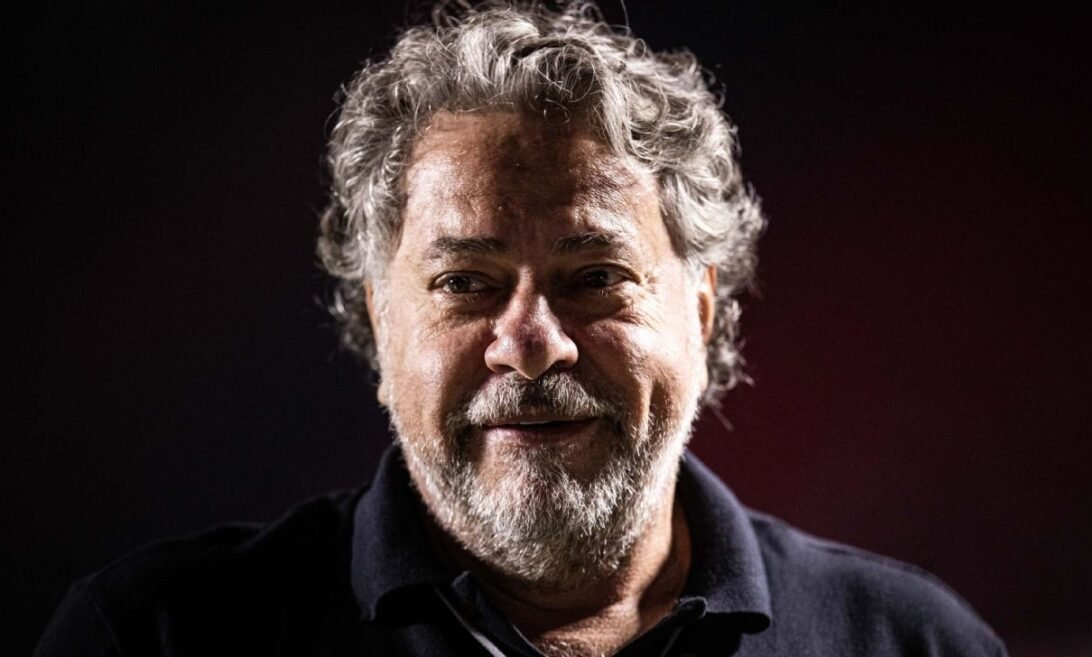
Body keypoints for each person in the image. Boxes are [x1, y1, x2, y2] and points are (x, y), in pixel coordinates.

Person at [36, 2, 1007, 656]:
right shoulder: (152, 637)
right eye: (466, 282)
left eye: (595, 277)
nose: (533, 341)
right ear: (379, 318)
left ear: (703, 310)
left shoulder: (913, 643)